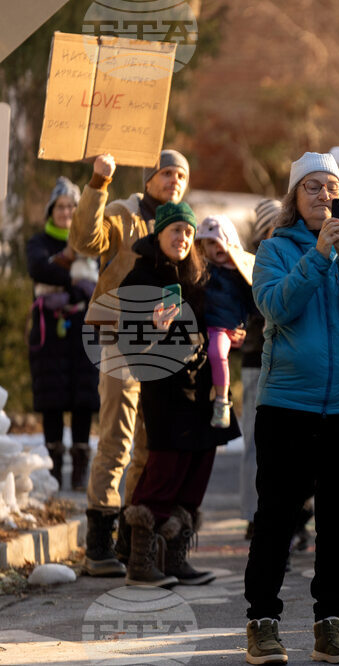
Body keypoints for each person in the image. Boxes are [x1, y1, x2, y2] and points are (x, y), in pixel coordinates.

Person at [244, 152, 339, 665]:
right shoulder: (275, 250)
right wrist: (318, 257)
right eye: (311, 187)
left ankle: (332, 624)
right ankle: (262, 623)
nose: (323, 195)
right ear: (294, 198)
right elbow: (276, 307)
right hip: (288, 403)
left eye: (331, 186)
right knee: (277, 518)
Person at [69, 149, 190, 577]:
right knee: (117, 437)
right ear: (149, 177)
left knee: (149, 444)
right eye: (166, 172)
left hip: (162, 348)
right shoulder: (124, 212)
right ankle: (98, 544)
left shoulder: (182, 225)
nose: (174, 179)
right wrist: (98, 183)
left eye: (180, 174)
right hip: (119, 334)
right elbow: (84, 241)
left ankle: (130, 541)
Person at [120, 202, 240, 587]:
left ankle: (174, 560)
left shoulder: (200, 276)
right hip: (166, 392)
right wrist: (153, 328)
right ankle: (140, 563)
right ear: (159, 234)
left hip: (202, 389)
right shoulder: (140, 278)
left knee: (196, 471)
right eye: (176, 231)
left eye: (188, 233)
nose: (183, 238)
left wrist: (231, 333)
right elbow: (129, 344)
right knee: (164, 472)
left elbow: (214, 326)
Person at [27, 176, 100, 490]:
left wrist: (69, 286)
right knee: (52, 401)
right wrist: (74, 283)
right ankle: (54, 473)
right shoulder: (38, 243)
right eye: (61, 206)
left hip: (83, 332)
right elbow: (39, 269)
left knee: (83, 399)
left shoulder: (92, 244)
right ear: (51, 210)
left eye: (73, 207)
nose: (67, 212)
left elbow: (98, 282)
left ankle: (80, 471)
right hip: (49, 337)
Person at [240, 198, 281, 540]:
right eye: (272, 227)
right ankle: (254, 515)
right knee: (256, 442)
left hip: (288, 359)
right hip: (257, 357)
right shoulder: (247, 264)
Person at [194, 214, 255, 429]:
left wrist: (242, 328)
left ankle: (222, 402)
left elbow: (252, 305)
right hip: (204, 327)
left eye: (219, 241)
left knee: (217, 354)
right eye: (209, 243)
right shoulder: (203, 270)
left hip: (223, 329)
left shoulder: (241, 273)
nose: (215, 248)